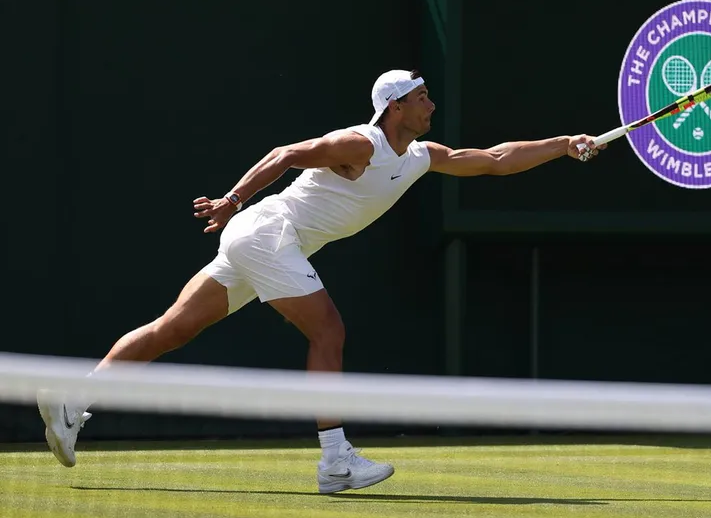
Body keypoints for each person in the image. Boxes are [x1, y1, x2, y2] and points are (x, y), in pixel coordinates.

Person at [37, 68, 604, 494]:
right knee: (328, 331)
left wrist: (564, 144)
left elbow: (496, 160)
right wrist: (233, 200)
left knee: (171, 330)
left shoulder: (421, 157)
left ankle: (74, 398)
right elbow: (285, 154)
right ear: (394, 107)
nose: (431, 104)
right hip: (265, 233)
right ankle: (335, 460)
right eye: (421, 97)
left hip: (267, 244)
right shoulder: (362, 143)